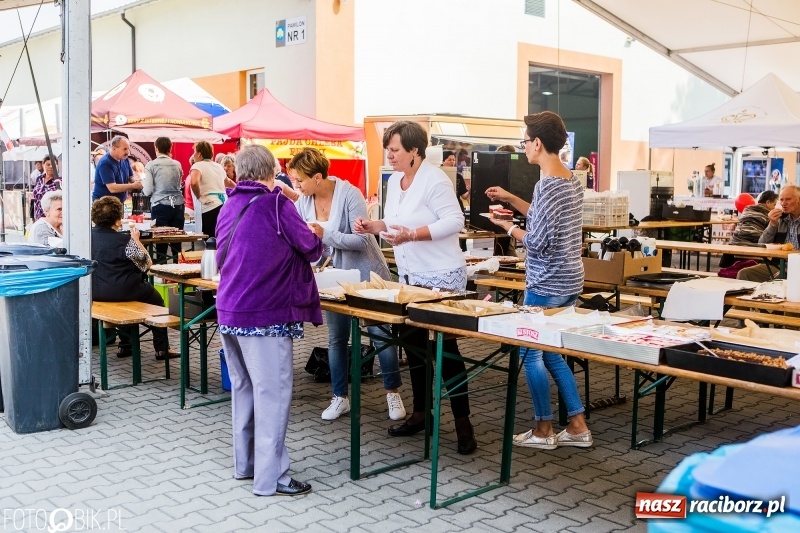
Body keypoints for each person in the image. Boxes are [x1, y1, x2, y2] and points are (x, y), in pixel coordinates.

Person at [354, 120, 477, 455]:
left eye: (395, 150)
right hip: (410, 276)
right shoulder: (395, 181)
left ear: (414, 151)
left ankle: (464, 423)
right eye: (388, 150)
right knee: (415, 347)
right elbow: (395, 224)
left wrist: (413, 234)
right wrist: (372, 225)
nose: (390, 156)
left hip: (440, 275)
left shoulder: (435, 179)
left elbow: (455, 222)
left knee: (447, 352)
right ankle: (423, 412)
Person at [216, 144, 323, 497]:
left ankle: (246, 465)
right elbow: (310, 248)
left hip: (230, 309)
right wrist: (317, 232)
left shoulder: (229, 203)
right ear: (271, 171)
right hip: (265, 312)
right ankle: (271, 478)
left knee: (245, 389)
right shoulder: (278, 204)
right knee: (273, 394)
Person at [484, 111, 592, 450]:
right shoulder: (569, 179)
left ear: (538, 143)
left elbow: (538, 240)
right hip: (570, 281)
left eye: (524, 142)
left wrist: (507, 228)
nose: (524, 147)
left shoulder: (546, 184)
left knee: (531, 354)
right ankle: (577, 425)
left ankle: (544, 430)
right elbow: (546, 216)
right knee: (553, 352)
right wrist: (510, 199)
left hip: (545, 283)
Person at [289, 147, 406, 422]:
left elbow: (361, 240)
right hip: (335, 280)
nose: (297, 186)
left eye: (300, 181)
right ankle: (339, 397)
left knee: (381, 335)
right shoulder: (304, 202)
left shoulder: (349, 194)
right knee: (336, 339)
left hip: (368, 277)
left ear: (318, 177)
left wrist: (324, 234)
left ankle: (393, 392)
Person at [90, 196, 178, 361]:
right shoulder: (125, 241)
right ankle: (162, 348)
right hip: (125, 290)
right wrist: (136, 240)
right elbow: (147, 264)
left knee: (132, 299)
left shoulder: (85, 238)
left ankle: (126, 345)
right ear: (117, 221)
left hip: (95, 292)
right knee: (156, 300)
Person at [737, 185, 800, 282]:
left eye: (788, 199)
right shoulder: (780, 219)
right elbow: (762, 244)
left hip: (797, 267)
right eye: (781, 200)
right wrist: (772, 224)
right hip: (779, 265)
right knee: (745, 274)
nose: (783, 203)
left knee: (780, 279)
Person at [143, 136, 185, 260]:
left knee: (161, 242)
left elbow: (148, 190)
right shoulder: (177, 164)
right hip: (177, 205)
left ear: (156, 148)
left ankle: (162, 274)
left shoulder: (151, 165)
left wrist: (142, 185)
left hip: (160, 205)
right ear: (170, 148)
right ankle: (178, 272)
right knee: (176, 242)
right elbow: (179, 184)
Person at [189, 141, 233, 238]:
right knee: (221, 238)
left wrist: (199, 196)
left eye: (194, 152)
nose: (193, 155)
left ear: (199, 154)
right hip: (223, 206)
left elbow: (194, 182)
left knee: (210, 242)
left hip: (208, 208)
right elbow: (229, 183)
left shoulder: (197, 166)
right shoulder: (218, 166)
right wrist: (240, 189)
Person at [92, 136, 142, 202]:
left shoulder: (125, 159)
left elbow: (130, 177)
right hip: (104, 204)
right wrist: (133, 186)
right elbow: (112, 188)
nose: (128, 152)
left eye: (128, 149)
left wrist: (139, 181)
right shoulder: (105, 163)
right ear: (114, 148)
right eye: (124, 149)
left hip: (118, 202)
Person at [32, 155, 61, 221]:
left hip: (51, 220)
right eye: (48, 164)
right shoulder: (39, 179)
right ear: (43, 165)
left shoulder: (59, 181)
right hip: (37, 218)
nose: (51, 166)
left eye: (53, 164)